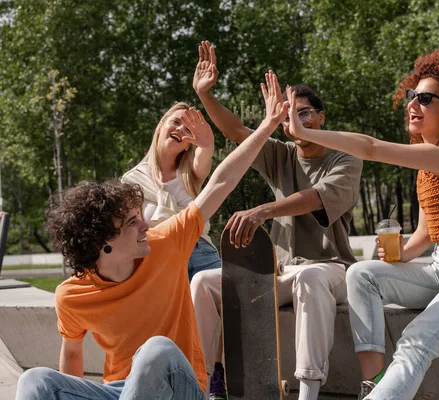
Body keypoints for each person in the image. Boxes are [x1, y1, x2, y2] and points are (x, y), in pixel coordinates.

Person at [15, 70, 290, 400]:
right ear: (104, 245)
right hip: (119, 391)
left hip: (178, 385)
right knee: (35, 382)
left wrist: (266, 127)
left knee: (156, 351)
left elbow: (221, 181)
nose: (147, 224)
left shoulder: (168, 243)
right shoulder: (71, 295)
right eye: (133, 222)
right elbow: (72, 356)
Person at [285, 48, 439, 400]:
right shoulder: (427, 170)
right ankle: (373, 382)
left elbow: (369, 148)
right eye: (411, 95)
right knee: (362, 273)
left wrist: (305, 132)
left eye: (426, 98)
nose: (413, 103)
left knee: (415, 342)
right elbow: (424, 236)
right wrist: (398, 252)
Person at [191, 41, 363, 400]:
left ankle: (308, 391)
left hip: (331, 269)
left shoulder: (345, 158)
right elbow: (238, 133)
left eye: (303, 113)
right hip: (281, 271)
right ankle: (208, 381)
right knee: (203, 283)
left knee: (312, 278)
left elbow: (315, 198)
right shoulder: (281, 156)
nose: (294, 122)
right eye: (288, 116)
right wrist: (205, 95)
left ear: (321, 117)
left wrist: (263, 210)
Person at [122, 101, 220, 281]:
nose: (181, 129)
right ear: (160, 127)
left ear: (188, 145)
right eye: (176, 122)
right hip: (160, 260)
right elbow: (131, 232)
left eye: (188, 130)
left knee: (224, 305)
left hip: (202, 254)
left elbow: (204, 155)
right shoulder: (132, 181)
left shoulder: (191, 172)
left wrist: (207, 144)